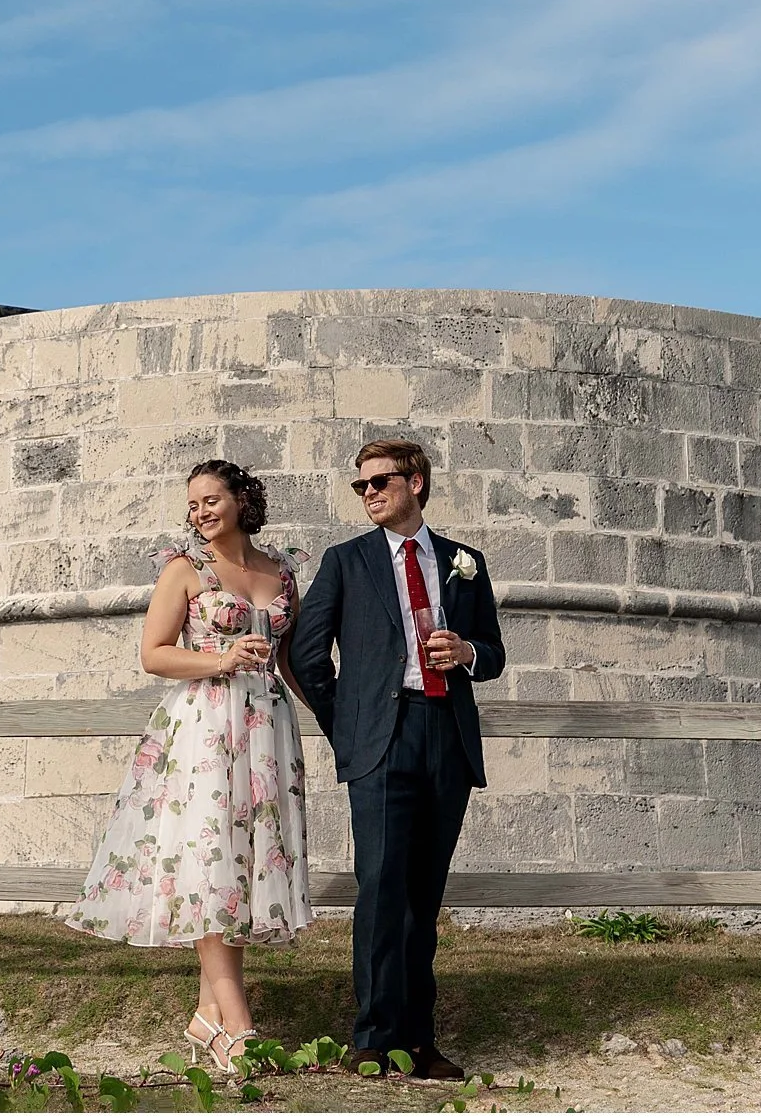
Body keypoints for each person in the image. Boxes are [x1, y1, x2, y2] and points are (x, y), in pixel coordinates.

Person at [64, 459, 312, 1073]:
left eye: (211, 500)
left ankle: (206, 1015)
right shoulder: (185, 571)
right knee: (209, 862)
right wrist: (221, 659)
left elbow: (291, 663)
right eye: (193, 504)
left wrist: (340, 722)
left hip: (268, 732)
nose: (200, 513)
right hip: (205, 729)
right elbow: (153, 655)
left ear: (242, 500)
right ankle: (239, 1024)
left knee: (242, 865)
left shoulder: (280, 572)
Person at [287, 438, 504, 1081]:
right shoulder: (346, 562)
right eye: (361, 486)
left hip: (446, 735)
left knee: (423, 896)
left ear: (417, 483)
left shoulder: (465, 562)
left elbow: (494, 652)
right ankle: (375, 1039)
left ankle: (421, 1039)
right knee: (381, 889)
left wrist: (465, 653)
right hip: (380, 740)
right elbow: (305, 655)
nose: (370, 493)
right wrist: (348, 730)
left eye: (381, 481)